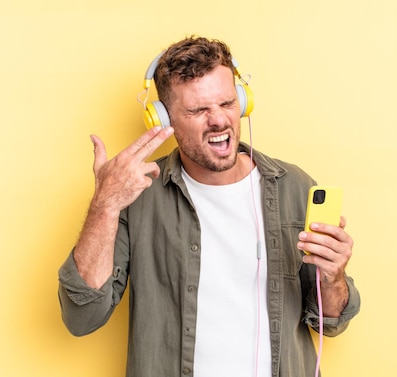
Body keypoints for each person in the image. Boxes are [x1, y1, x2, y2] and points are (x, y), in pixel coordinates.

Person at [58, 36, 360, 377]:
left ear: (243, 101)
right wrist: (105, 204)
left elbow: (330, 322)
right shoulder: (138, 196)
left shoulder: (295, 186)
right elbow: (81, 317)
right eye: (198, 110)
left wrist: (333, 277)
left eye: (228, 103)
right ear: (162, 119)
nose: (219, 120)